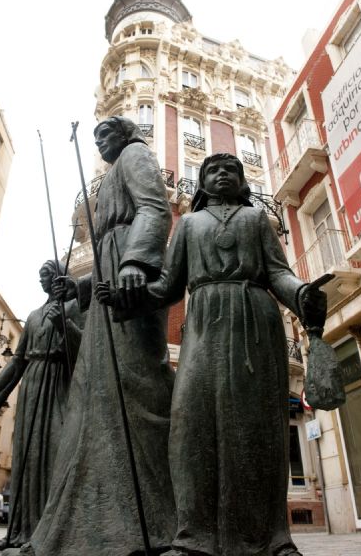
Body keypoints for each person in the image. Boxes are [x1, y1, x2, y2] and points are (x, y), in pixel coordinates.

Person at [98, 153, 327, 556]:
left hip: (254, 320)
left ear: (242, 182)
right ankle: (193, 537)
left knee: (258, 429)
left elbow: (278, 274)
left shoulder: (257, 221)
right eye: (213, 170)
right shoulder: (187, 224)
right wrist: (126, 299)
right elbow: (169, 285)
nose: (223, 174)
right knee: (190, 424)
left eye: (231, 171)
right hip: (203, 324)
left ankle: (272, 539)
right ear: (202, 183)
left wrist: (301, 294)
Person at [22, 117, 176, 556]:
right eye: (95, 138)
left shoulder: (135, 154)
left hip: (132, 277)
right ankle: (102, 511)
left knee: (136, 384)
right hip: (112, 269)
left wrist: (135, 265)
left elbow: (155, 209)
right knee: (98, 392)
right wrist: (82, 288)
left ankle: (153, 514)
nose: (99, 141)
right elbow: (109, 246)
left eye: (106, 133)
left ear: (126, 134)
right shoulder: (112, 174)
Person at [0, 260, 84, 550]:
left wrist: (64, 324)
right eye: (40, 277)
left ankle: (50, 532)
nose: (43, 281)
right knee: (26, 456)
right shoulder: (32, 317)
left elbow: (84, 350)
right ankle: (17, 531)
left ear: (60, 278)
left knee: (55, 455)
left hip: (60, 383)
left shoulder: (76, 309)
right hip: (33, 383)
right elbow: (18, 360)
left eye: (47, 276)